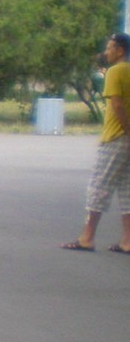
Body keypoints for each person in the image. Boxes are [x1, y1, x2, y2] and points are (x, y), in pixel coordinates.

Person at [62, 32, 130, 253]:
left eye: (110, 48)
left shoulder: (116, 71)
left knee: (98, 186)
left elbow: (117, 105)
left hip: (116, 136)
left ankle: (87, 237)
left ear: (120, 50)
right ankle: (127, 241)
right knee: (127, 189)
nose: (106, 52)